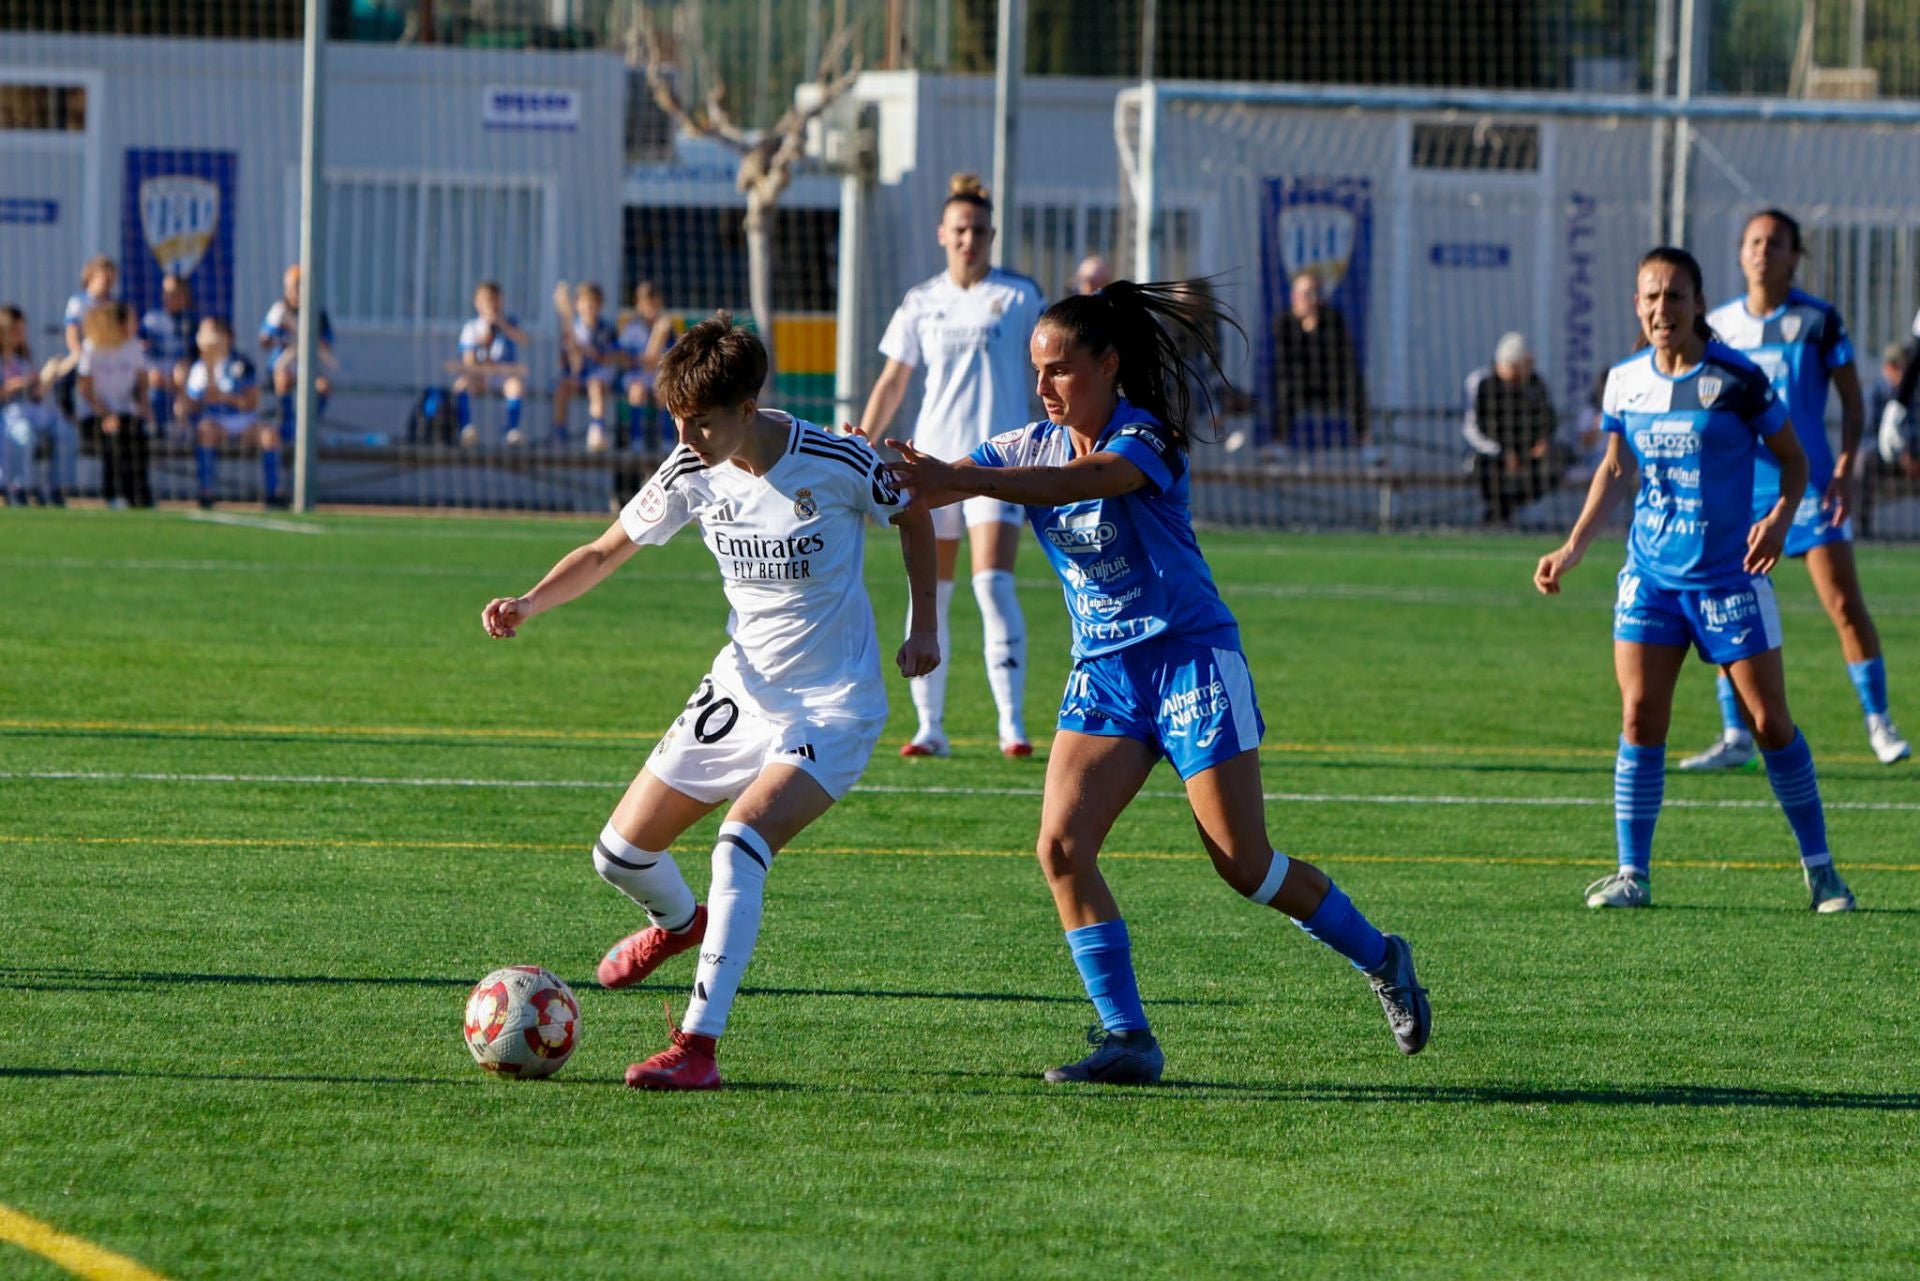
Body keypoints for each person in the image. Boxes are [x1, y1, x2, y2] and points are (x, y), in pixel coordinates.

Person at [885, 280, 1430, 1085]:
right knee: (1062, 848)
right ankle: (1128, 1036)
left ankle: (1383, 955)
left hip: (1190, 660)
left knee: (1245, 864)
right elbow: (936, 485)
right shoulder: (1027, 444)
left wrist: (966, 480)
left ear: (1109, 365)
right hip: (1106, 675)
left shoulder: (1149, 438)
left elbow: (1077, 484)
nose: (1044, 389)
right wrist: (876, 468)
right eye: (1037, 373)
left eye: (1060, 371)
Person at [481, 315, 939, 1091]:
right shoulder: (690, 469)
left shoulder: (834, 458)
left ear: (749, 405)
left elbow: (915, 511)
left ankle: (697, 1046)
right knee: (619, 854)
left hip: (831, 704)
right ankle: (680, 922)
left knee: (739, 844)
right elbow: (604, 550)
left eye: (701, 422)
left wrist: (922, 622)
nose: (687, 436)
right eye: (677, 421)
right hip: (741, 686)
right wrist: (529, 601)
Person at [1535, 246, 1855, 913]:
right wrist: (1572, 547)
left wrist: (1778, 518)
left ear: (1698, 303)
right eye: (1650, 296)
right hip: (1651, 577)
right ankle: (1632, 873)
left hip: (1728, 581)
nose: (1662, 309)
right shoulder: (1624, 380)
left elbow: (1793, 460)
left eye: (1674, 296)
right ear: (1636, 306)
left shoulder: (1738, 379)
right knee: (1640, 716)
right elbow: (1615, 468)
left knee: (1770, 723)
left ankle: (1822, 869)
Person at [1680, 209, 1908, 769]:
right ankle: (1736, 737)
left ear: (1794, 255)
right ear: (1740, 252)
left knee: (1843, 604)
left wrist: (1848, 465)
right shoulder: (1719, 325)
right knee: (1726, 608)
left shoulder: (1818, 320)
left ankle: (1879, 722)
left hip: (1809, 487)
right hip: (1738, 492)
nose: (1763, 251)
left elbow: (1853, 401)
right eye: (1754, 241)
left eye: (1775, 243)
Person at [859, 172, 1047, 759]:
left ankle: (1011, 726)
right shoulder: (922, 301)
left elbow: (1049, 370)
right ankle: (929, 728)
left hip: (996, 465)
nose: (971, 239)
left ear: (993, 235)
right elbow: (894, 379)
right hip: (933, 465)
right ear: (943, 233)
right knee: (928, 593)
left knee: (992, 586)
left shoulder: (1019, 296)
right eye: (961, 229)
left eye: (981, 230)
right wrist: (864, 445)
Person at [1463, 331, 1563, 524]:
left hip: (1529, 455)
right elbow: (1472, 428)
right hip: (1493, 455)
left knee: (1557, 464)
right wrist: (1503, 453)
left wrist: (1543, 441)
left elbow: (1549, 418)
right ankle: (1498, 513)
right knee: (1484, 469)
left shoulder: (1534, 383)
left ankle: (1505, 510)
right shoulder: (1482, 383)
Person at [1272, 269, 1369, 450]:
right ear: (1295, 296)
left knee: (1355, 384)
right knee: (1284, 387)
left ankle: (1365, 442)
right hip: (1300, 384)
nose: (1310, 298)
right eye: (1305, 293)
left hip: (1329, 383)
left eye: (1314, 293)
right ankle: (1278, 443)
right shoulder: (1284, 322)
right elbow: (1287, 359)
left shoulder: (1333, 318)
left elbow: (1342, 355)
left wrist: (1315, 325)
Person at [185, 316, 275, 508]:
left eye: (209, 332)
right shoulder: (199, 367)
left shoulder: (241, 363)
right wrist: (210, 370)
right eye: (202, 334)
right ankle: (206, 491)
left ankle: (274, 493)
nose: (204, 338)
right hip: (215, 421)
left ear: (224, 336)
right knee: (205, 431)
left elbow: (251, 401)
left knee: (269, 435)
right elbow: (194, 402)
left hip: (243, 420)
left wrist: (224, 397)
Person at [78, 302, 152, 508]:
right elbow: (85, 389)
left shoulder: (134, 346)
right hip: (95, 414)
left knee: (138, 436)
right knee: (115, 437)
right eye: (131, 321)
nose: (136, 325)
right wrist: (106, 415)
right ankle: (114, 495)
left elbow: (143, 381)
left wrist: (145, 407)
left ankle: (140, 495)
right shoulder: (91, 347)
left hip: (125, 413)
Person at [1, 305, 77, 506]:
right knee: (23, 434)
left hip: (30, 411)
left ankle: (54, 488)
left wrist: (50, 375)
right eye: (16, 330)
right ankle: (16, 488)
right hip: (8, 415)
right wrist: (18, 384)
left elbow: (35, 395)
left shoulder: (22, 360)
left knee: (66, 431)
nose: (21, 335)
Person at [259, 264, 336, 436]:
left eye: (300, 286)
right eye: (292, 287)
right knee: (283, 379)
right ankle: (286, 427)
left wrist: (304, 332)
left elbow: (327, 347)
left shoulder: (318, 314)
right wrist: (278, 328)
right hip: (282, 363)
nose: (296, 292)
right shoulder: (279, 311)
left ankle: (307, 428)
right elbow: (264, 341)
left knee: (322, 386)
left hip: (307, 365)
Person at [452, 282, 530, 447]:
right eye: (487, 300)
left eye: (495, 300)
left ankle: (511, 431)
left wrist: (502, 324)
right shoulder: (472, 328)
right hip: (481, 376)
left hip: (503, 376)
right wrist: (484, 347)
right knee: (462, 384)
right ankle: (467, 430)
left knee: (515, 386)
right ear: (478, 303)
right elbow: (468, 362)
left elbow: (524, 340)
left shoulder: (510, 323)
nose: (491, 304)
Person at [555, 281, 620, 450]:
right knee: (562, 388)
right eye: (584, 303)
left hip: (599, 374)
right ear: (577, 305)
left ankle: (597, 429)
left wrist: (590, 351)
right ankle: (559, 432)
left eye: (593, 303)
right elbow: (571, 364)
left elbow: (609, 357)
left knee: (595, 385)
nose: (589, 307)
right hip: (578, 375)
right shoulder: (572, 327)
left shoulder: (606, 328)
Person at [619, 282, 676, 454]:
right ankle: (636, 440)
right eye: (646, 303)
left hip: (658, 375)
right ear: (639, 305)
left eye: (654, 303)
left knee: (663, 392)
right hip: (636, 375)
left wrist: (656, 357)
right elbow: (623, 356)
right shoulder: (632, 328)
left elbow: (671, 356)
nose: (650, 308)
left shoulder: (667, 328)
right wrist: (640, 360)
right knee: (637, 391)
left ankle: (667, 440)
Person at [139, 273, 197, 438]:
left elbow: (195, 353)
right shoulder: (151, 319)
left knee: (183, 372)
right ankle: (152, 426)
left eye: (173, 293)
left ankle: (181, 425)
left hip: (180, 370)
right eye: (166, 292)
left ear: (184, 295)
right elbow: (140, 348)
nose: (168, 297)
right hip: (154, 367)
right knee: (151, 379)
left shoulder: (191, 321)